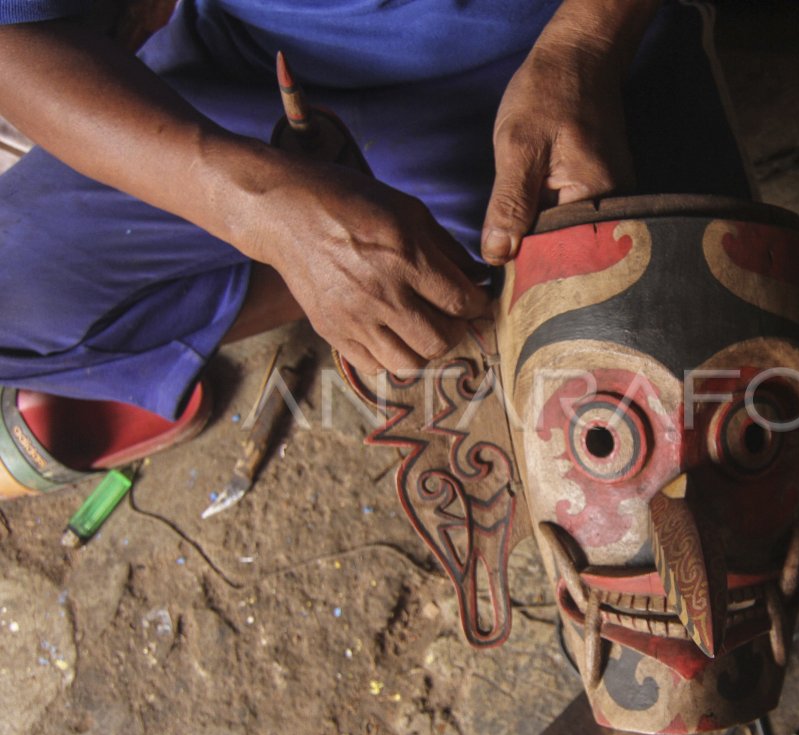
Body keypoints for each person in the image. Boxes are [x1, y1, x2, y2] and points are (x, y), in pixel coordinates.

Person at [0, 0, 753, 494]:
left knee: (690, 458)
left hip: (553, 65)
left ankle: (387, 266)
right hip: (253, 67)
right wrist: (254, 205)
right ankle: (352, 269)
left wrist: (588, 42)